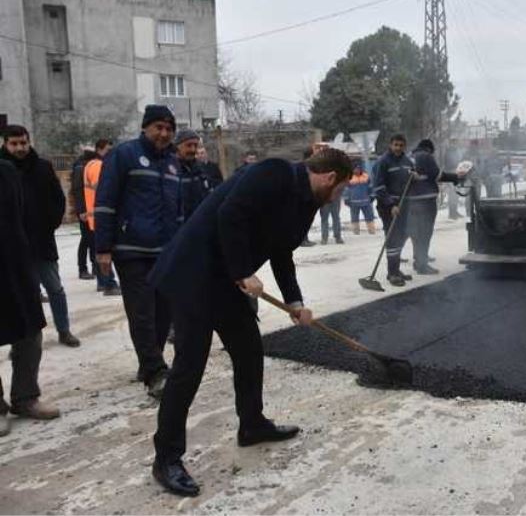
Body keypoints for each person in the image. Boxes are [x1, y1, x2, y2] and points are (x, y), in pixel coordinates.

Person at [149, 148, 353, 497]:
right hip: (194, 274)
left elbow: (282, 252)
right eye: (341, 189)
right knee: (189, 366)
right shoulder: (275, 172)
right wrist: (244, 270)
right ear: (331, 177)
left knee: (248, 351)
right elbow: (230, 215)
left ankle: (252, 425)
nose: (339, 196)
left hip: (226, 280)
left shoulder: (306, 204)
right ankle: (166, 457)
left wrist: (295, 302)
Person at [94, 105, 182, 398]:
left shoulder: (172, 162)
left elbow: (178, 209)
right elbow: (105, 201)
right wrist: (103, 248)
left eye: (169, 129)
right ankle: (156, 372)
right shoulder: (124, 155)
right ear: (145, 128)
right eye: (158, 127)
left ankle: (149, 363)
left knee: (163, 313)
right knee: (142, 313)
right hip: (131, 249)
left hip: (165, 251)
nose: (164, 133)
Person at [1, 125, 81, 348]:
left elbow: (58, 200)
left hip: (41, 242)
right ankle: (24, 341)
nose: (19, 148)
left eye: (23, 143)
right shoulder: (3, 171)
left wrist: (47, 227)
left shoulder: (42, 167)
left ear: (29, 142)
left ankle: (64, 330)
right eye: (14, 143)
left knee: (55, 288)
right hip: (11, 248)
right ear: (5, 144)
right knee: (23, 294)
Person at [0, 157, 61, 435]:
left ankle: (25, 397)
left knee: (30, 332)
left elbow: (24, 215)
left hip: (16, 262)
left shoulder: (8, 171)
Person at [407, 139, 462, 275]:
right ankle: (422, 265)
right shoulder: (426, 156)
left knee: (416, 232)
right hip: (426, 199)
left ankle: (418, 259)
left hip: (411, 200)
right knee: (425, 232)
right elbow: (438, 175)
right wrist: (455, 177)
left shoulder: (409, 156)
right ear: (429, 149)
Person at [372, 133, 415, 287]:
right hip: (387, 206)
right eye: (395, 144)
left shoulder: (408, 161)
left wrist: (414, 177)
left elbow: (410, 182)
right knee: (393, 238)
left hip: (404, 204)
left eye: (401, 145)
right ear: (390, 145)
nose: (398, 148)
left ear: (405, 146)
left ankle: (396, 268)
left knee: (402, 235)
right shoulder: (383, 162)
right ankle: (392, 273)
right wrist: (391, 205)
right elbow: (379, 187)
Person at [83, 140, 122, 296]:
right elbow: (105, 191)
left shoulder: (89, 165)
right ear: (99, 150)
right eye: (108, 150)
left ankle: (102, 282)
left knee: (97, 250)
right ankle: (109, 283)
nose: (110, 153)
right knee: (104, 251)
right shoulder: (99, 166)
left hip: (94, 215)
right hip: (100, 215)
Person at [174, 129, 212, 222]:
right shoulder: (171, 171)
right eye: (189, 145)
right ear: (177, 147)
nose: (193, 149)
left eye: (195, 145)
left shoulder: (200, 170)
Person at [70, 149, 96, 280]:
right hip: (85, 211)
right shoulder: (81, 167)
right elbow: (78, 191)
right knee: (86, 239)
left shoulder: (88, 165)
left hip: (91, 209)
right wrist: (81, 210)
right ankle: (82, 269)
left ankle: (94, 267)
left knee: (92, 239)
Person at [343, 159, 376, 235]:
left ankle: (372, 231)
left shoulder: (366, 176)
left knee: (369, 217)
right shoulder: (349, 178)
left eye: (358, 168)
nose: (357, 170)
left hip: (366, 202)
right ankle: (356, 233)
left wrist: (372, 196)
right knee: (354, 218)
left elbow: (371, 188)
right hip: (354, 203)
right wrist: (346, 199)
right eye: (355, 169)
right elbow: (346, 190)